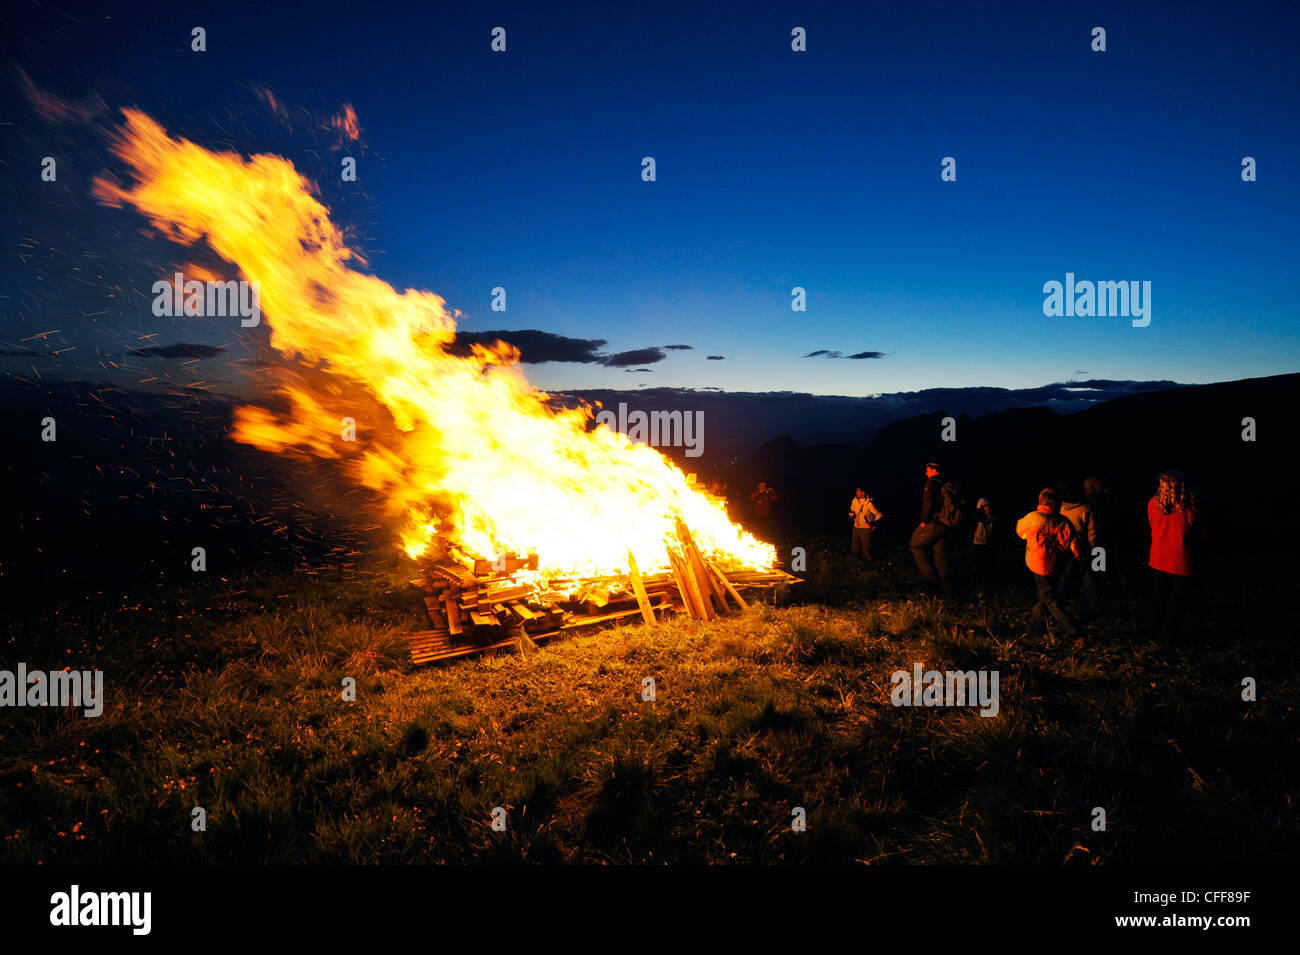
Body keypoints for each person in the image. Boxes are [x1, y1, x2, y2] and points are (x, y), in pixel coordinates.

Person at [1016, 487, 1083, 643]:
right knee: (1045, 597)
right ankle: (1032, 630)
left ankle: (1074, 632)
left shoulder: (1032, 517)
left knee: (1051, 601)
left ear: (1041, 502)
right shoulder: (1065, 522)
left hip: (1038, 565)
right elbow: (1074, 545)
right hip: (1057, 565)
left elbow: (1021, 533)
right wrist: (1080, 561)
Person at [1147, 470, 1205, 645]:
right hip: (1182, 562)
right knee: (1176, 603)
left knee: (1158, 599)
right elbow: (1200, 536)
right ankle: (1167, 638)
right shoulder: (1192, 509)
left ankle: (1152, 633)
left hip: (1158, 559)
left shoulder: (1152, 504)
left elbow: (1151, 525)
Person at [910, 462, 953, 593]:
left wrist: (923, 521)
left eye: (928, 470)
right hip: (946, 524)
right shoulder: (946, 483)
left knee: (915, 544)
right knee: (941, 555)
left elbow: (928, 503)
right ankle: (946, 588)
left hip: (934, 522)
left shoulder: (931, 483)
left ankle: (931, 578)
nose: (926, 473)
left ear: (934, 470)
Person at [1059, 481, 1100, 609]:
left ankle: (1059, 606)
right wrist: (1095, 551)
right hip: (1082, 548)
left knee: (1065, 580)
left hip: (1064, 549)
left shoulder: (1059, 508)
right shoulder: (1086, 508)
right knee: (1089, 577)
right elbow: (1093, 533)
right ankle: (1093, 605)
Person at [849, 488, 883, 561]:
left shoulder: (869, 503)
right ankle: (855, 563)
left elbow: (878, 515)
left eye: (858, 491)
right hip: (856, 527)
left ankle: (868, 564)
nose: (856, 492)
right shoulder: (854, 500)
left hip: (865, 529)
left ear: (863, 492)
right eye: (856, 491)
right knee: (854, 548)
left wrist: (875, 525)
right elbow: (852, 509)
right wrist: (851, 515)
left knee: (866, 548)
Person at [970, 497, 998, 583]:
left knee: (987, 567)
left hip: (988, 544)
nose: (990, 510)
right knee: (979, 566)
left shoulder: (992, 519)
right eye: (987, 508)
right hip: (978, 544)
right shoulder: (978, 519)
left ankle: (985, 583)